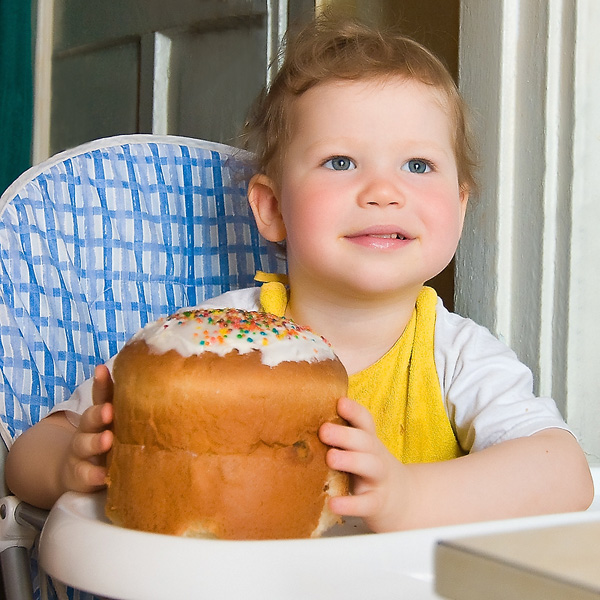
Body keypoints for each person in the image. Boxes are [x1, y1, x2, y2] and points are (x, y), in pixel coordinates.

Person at [6, 16, 593, 531]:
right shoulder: (217, 339)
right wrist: (69, 463)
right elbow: (30, 452)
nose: (384, 190)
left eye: (418, 164)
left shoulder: (457, 357)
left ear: (460, 207)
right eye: (340, 161)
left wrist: (410, 495)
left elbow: (564, 474)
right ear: (271, 209)